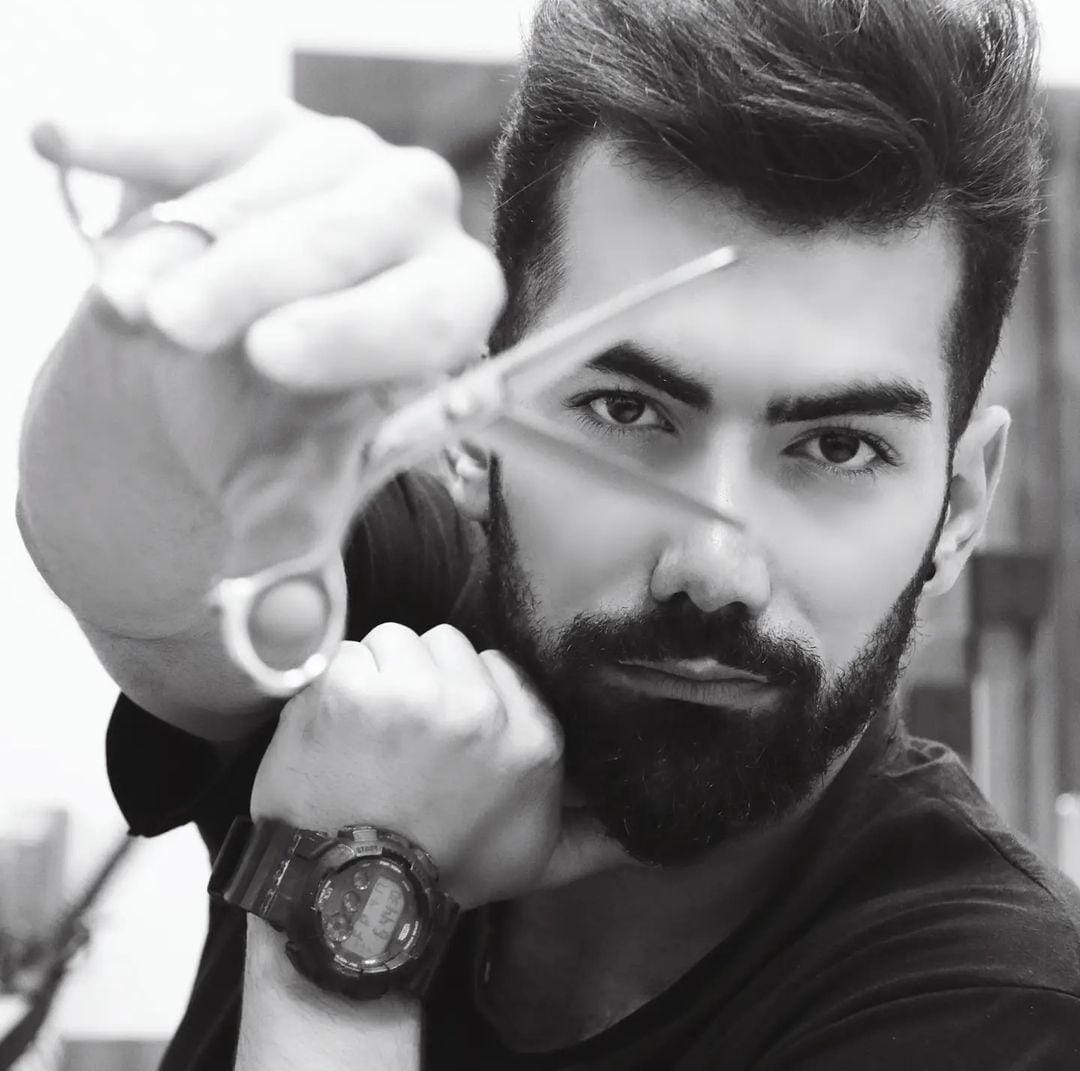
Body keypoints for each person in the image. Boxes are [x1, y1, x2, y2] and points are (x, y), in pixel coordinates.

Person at [17, 0, 1080, 1067]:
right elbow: (130, 546)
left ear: (960, 507)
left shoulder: (1002, 1005)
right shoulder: (397, 626)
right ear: (478, 428)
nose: (713, 566)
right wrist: (152, 347)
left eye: (839, 447)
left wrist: (355, 891)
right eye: (626, 410)